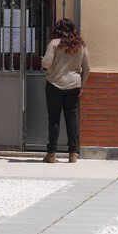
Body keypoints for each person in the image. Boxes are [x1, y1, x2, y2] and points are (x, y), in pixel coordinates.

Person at [41, 18, 90, 163]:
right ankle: (73, 153)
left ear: (58, 30)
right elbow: (87, 68)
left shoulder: (54, 43)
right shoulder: (80, 45)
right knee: (71, 118)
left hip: (54, 85)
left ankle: (51, 154)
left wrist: (44, 62)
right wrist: (82, 86)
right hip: (74, 86)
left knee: (54, 118)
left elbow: (46, 63)